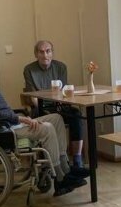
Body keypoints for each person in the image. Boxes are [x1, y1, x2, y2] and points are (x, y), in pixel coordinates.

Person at [0, 52, 89, 197]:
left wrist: (21, 118)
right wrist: (20, 119)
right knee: (47, 128)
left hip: (9, 123)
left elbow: (4, 107)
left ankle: (66, 168)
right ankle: (60, 178)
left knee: (57, 119)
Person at [23, 40, 86, 169]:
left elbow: (63, 91)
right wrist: (44, 108)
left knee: (76, 115)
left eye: (48, 51)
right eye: (41, 52)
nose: (45, 55)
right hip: (39, 107)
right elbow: (32, 95)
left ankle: (77, 158)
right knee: (44, 118)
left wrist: (59, 104)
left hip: (59, 105)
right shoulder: (29, 69)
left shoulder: (61, 67)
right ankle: (54, 160)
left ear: (52, 53)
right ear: (36, 54)